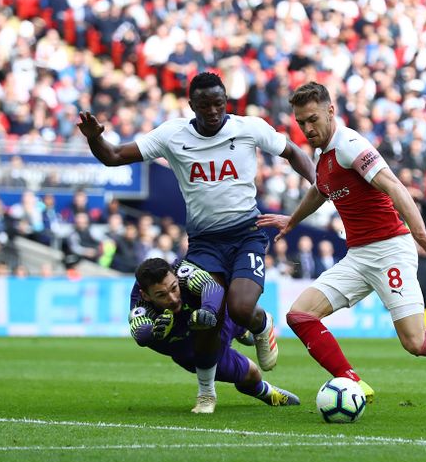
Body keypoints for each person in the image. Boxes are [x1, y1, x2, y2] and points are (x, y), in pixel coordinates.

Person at [257, 82, 426, 402]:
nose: (307, 128)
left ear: (330, 111)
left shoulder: (350, 145)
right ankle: (352, 381)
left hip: (390, 249)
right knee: (300, 315)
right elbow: (319, 189)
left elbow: (395, 186)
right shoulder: (324, 156)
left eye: (312, 119)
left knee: (415, 343)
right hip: (358, 256)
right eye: (301, 123)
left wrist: (420, 233)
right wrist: (293, 220)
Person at [78, 72, 315, 413]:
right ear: (192, 105)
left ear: (226, 102)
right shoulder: (173, 135)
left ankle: (261, 326)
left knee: (240, 308)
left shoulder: (249, 128)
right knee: (207, 316)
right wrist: (95, 138)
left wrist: (319, 184)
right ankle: (206, 393)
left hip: (247, 233)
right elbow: (113, 156)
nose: (213, 111)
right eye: (204, 105)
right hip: (204, 243)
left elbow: (293, 152)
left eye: (219, 103)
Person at [130, 258, 299, 412]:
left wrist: (208, 311)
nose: (173, 298)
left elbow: (211, 287)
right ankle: (266, 392)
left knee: (238, 311)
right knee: (251, 375)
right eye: (161, 295)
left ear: (175, 276)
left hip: (216, 319)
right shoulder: (141, 305)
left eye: (174, 288)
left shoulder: (182, 271)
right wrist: (154, 333)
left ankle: (245, 330)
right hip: (189, 351)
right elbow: (140, 333)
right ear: (146, 295)